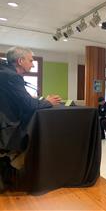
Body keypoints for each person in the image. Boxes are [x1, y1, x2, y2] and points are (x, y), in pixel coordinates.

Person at [0, 47, 61, 190]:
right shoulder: (12, 76)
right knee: (34, 137)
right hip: (6, 126)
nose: (33, 64)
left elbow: (19, 100)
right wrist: (48, 102)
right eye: (31, 60)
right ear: (20, 61)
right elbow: (27, 105)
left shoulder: (5, 72)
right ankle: (13, 164)